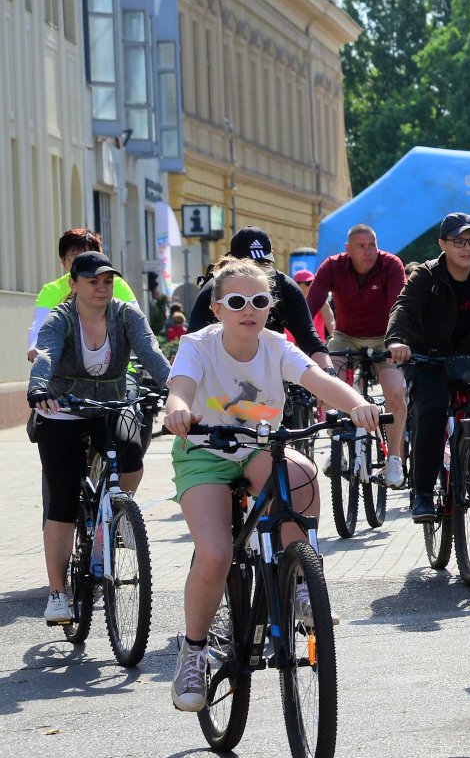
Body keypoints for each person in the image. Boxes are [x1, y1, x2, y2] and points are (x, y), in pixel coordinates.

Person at [162, 258, 384, 712]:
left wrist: (361, 404)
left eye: (259, 301)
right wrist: (178, 409)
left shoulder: (276, 346)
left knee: (301, 473)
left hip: (258, 448)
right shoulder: (197, 345)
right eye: (237, 302)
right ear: (218, 308)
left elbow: (319, 380)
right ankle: (195, 651)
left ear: (270, 307)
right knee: (217, 553)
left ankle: (301, 582)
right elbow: (180, 387)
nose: (250, 310)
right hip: (204, 452)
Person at [28, 252, 173, 626]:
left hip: (111, 401)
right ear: (74, 284)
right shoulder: (60, 318)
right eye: (93, 281)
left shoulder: (126, 314)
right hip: (61, 406)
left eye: (107, 281)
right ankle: (58, 593)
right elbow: (45, 353)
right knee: (62, 498)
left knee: (132, 457)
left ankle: (118, 514)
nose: (101, 288)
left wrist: (176, 389)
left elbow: (151, 353)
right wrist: (39, 387)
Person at [385, 212, 470, 522]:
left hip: (468, 358)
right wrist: (395, 341)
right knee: (429, 410)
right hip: (427, 357)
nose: (467, 248)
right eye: (459, 241)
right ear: (443, 244)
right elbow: (403, 307)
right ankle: (423, 494)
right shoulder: (426, 276)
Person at [305, 224, 408, 487]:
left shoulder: (391, 265)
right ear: (348, 249)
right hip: (346, 336)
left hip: (385, 337)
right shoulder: (332, 267)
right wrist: (306, 341)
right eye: (361, 246)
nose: (368, 251)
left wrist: (397, 340)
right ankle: (336, 444)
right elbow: (311, 305)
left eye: (372, 244)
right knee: (326, 379)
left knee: (396, 391)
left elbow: (400, 306)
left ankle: (394, 460)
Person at [187, 229, 332, 373]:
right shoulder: (215, 287)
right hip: (219, 374)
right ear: (232, 262)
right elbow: (191, 345)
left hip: (271, 373)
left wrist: (329, 374)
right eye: (236, 302)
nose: (257, 270)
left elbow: (309, 340)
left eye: (263, 263)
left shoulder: (285, 287)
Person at [27, 228, 137, 362]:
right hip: (66, 374)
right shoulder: (51, 290)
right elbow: (40, 325)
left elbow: (136, 322)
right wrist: (35, 346)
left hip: (119, 372)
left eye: (89, 255)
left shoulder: (117, 284)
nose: (83, 262)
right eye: (75, 257)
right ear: (63, 262)